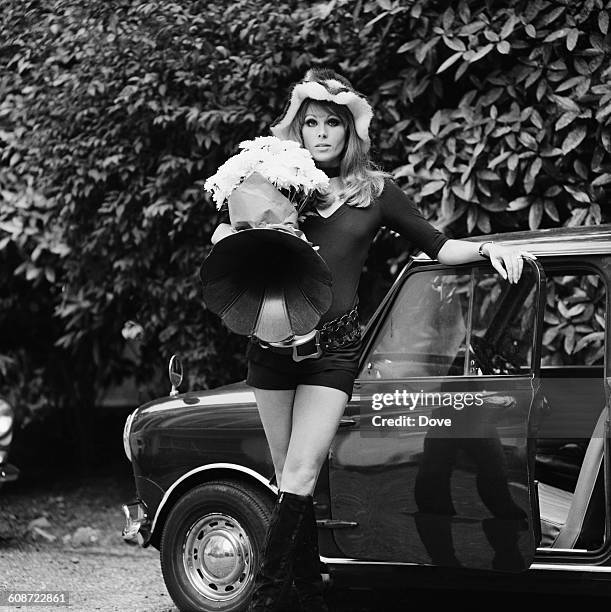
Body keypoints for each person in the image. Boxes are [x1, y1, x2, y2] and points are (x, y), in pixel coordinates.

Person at [211, 68, 533, 612]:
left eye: (331, 122)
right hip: (268, 348)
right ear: (298, 129)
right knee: (292, 480)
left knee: (301, 471)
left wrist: (489, 249)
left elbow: (438, 245)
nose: (320, 133)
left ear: (350, 130)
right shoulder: (277, 184)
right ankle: (311, 598)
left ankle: (267, 600)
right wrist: (232, 226)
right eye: (310, 122)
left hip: (332, 352)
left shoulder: (376, 192)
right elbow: (239, 244)